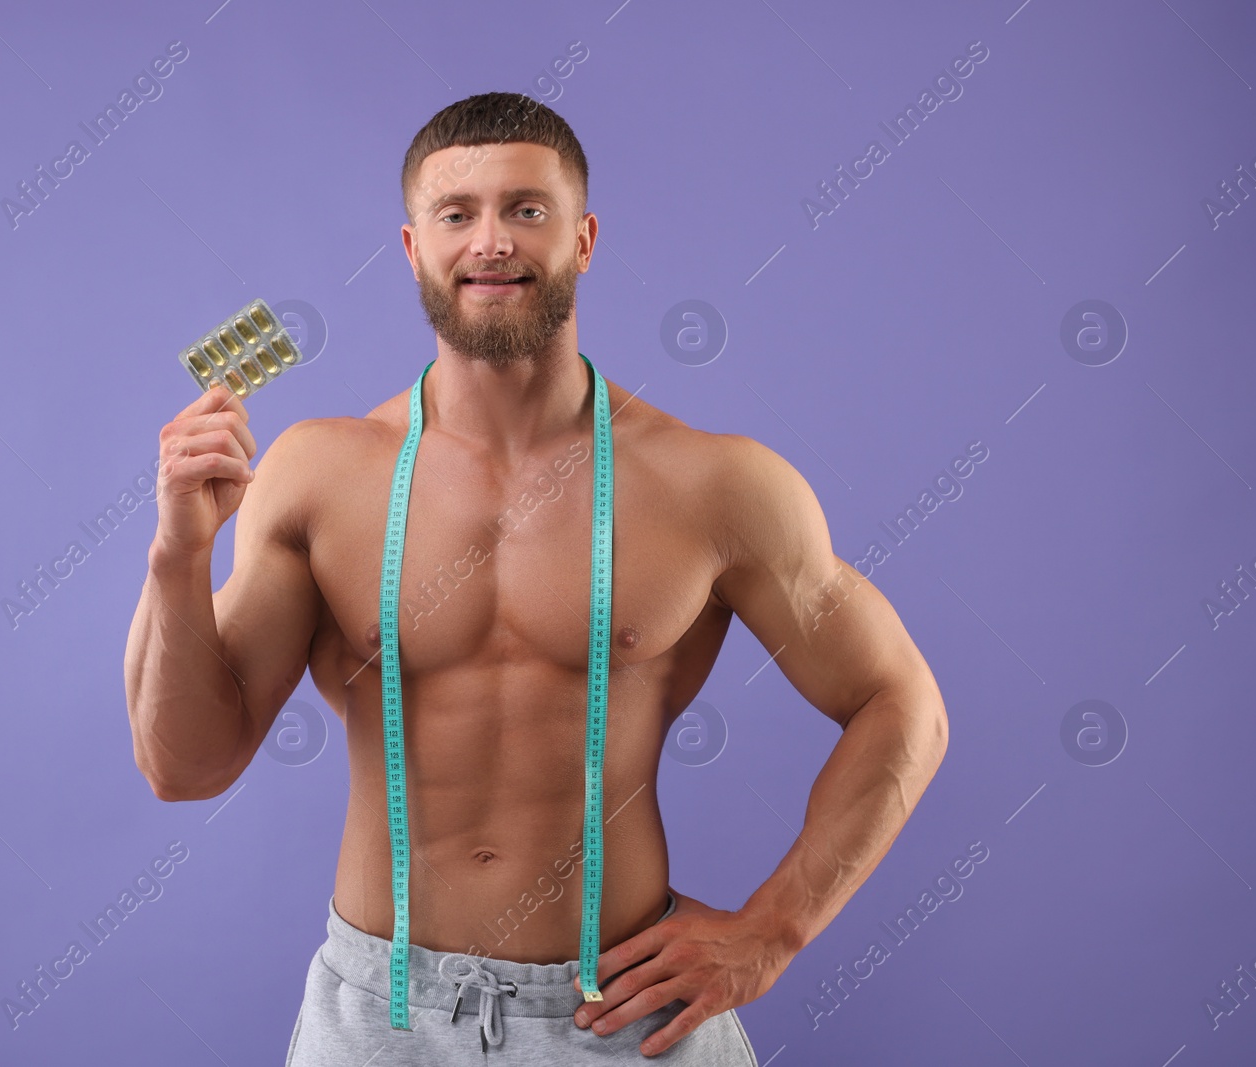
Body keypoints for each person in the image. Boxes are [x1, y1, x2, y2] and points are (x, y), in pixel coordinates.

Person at [123, 92, 947, 1064]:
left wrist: (773, 929)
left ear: (584, 237)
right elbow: (185, 765)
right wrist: (177, 555)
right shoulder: (321, 473)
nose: (491, 241)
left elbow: (904, 702)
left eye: (526, 209)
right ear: (410, 246)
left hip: (620, 1013)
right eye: (456, 213)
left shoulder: (714, 483)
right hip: (381, 1018)